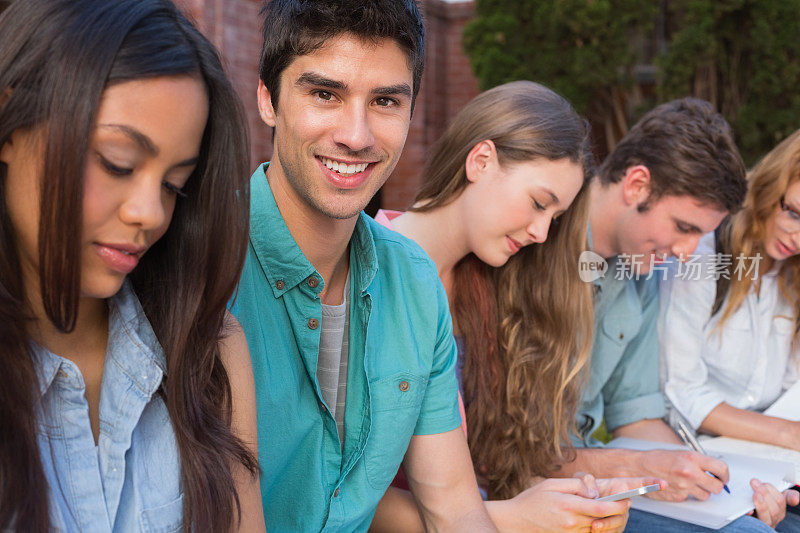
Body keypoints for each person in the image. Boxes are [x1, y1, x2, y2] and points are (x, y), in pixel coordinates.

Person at [229, 0, 495, 530]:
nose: (357, 135)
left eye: (385, 101)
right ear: (268, 98)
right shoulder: (198, 261)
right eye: (325, 94)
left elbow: (455, 508)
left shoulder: (416, 283)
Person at [0, 0, 264, 531]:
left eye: (174, 185)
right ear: (9, 127)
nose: (149, 213)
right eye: (117, 162)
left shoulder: (207, 351)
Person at [370, 80, 665, 532]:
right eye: (538, 203)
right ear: (481, 160)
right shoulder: (368, 277)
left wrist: (569, 500)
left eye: (555, 218)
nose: (541, 233)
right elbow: (339, 493)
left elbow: (491, 463)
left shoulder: (488, 285)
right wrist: (514, 517)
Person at [554, 97, 796, 531]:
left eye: (699, 234)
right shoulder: (540, 247)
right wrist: (648, 467)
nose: (688, 254)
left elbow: (636, 413)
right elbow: (507, 456)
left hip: (603, 473)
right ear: (637, 185)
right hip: (548, 486)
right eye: (685, 229)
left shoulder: (643, 270)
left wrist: (721, 481)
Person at [660, 130, 800, 455]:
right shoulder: (704, 255)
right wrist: (786, 433)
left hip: (776, 456)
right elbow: (680, 391)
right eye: (793, 213)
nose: (796, 238)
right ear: (771, 185)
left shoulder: (792, 273)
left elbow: (792, 387)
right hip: (699, 452)